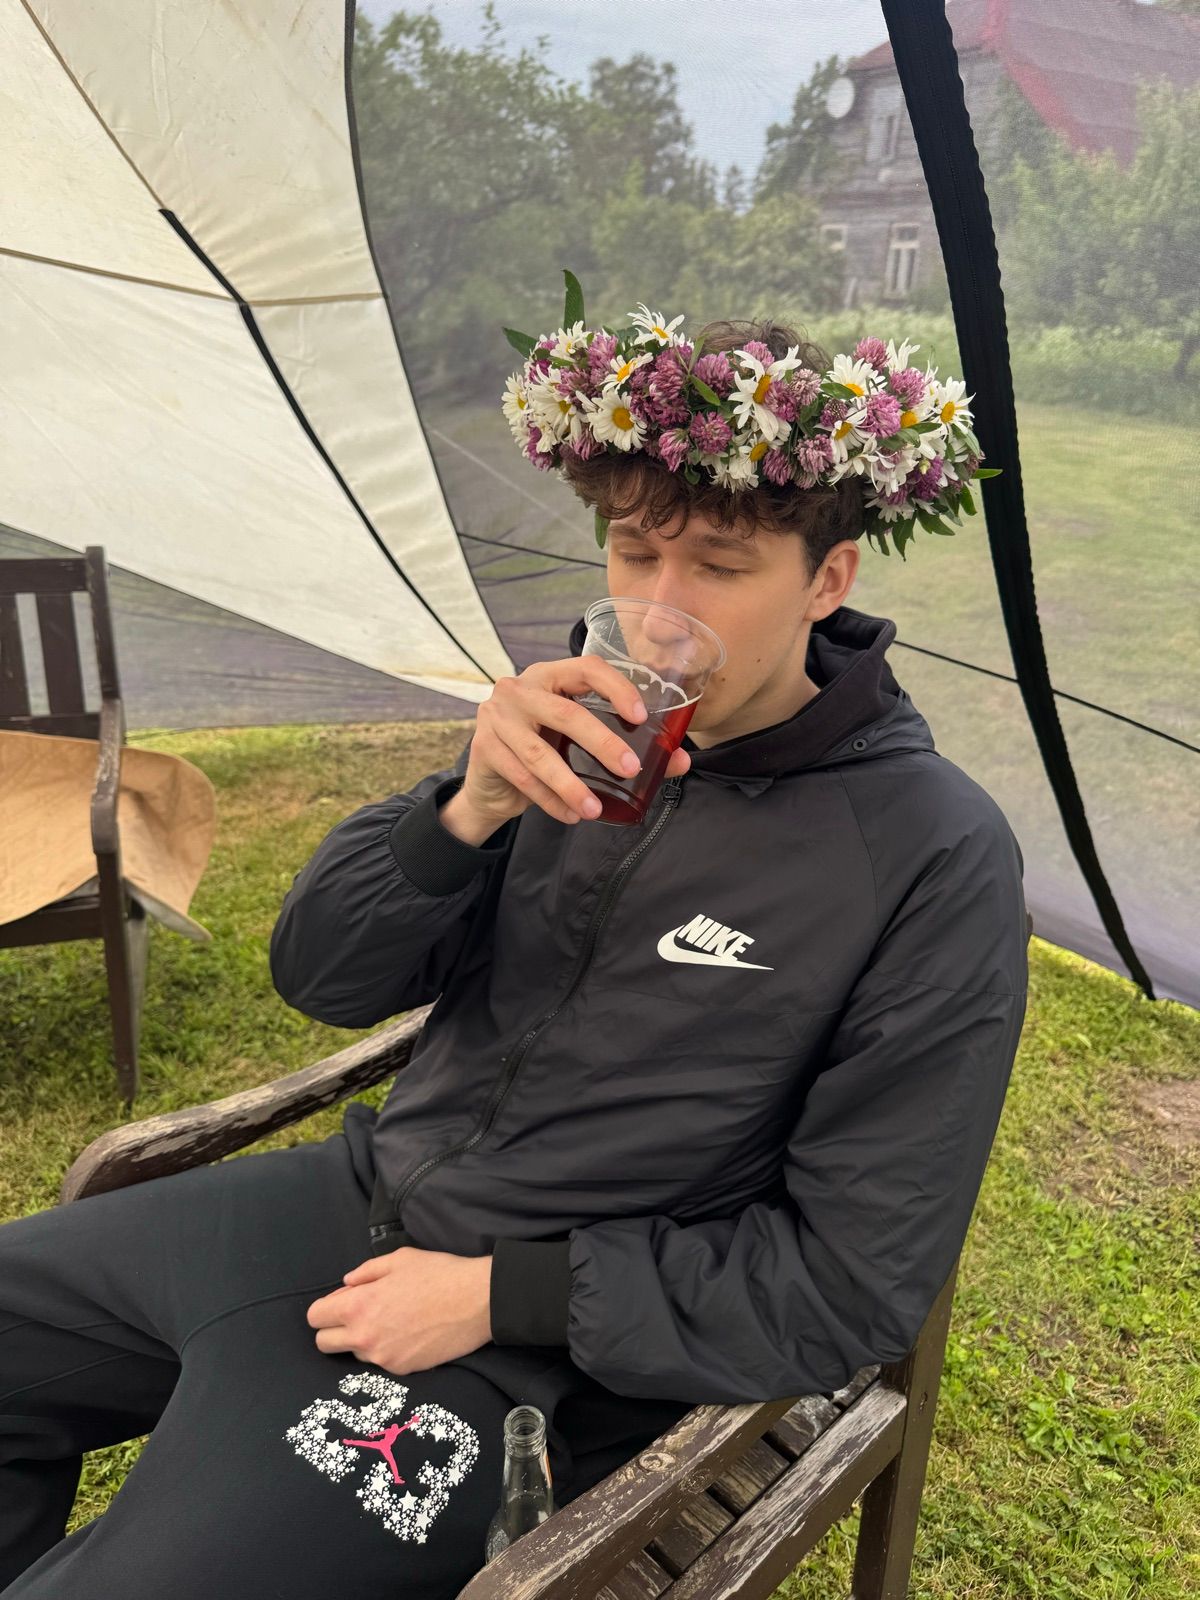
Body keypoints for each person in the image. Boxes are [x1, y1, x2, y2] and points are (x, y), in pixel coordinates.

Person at [0, 305, 1028, 1599]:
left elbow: (851, 1286)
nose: (660, 618)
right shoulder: (565, 736)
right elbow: (322, 978)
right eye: (635, 552)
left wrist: (504, 1297)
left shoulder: (928, 855)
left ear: (829, 579)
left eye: (720, 566)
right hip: (344, 1204)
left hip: (532, 1351)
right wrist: (464, 807)